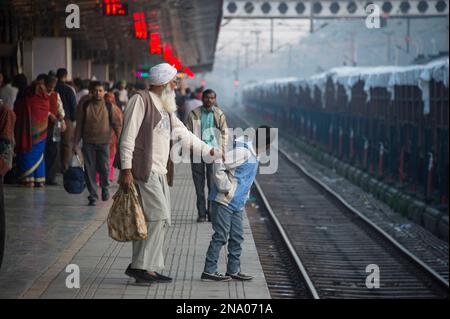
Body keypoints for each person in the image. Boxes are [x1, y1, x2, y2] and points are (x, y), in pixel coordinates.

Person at [119, 63, 221, 285]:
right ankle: (140, 266)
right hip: (144, 171)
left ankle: (148, 267)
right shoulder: (141, 100)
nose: (177, 85)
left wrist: (209, 150)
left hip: (160, 172)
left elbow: (183, 133)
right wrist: (126, 170)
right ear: (164, 83)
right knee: (159, 216)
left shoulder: (165, 106)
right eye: (174, 81)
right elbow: (127, 137)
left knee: (159, 220)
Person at [201, 126, 275, 281]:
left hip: (238, 204)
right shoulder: (244, 152)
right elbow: (218, 162)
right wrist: (225, 187)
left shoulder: (255, 154)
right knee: (221, 236)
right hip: (224, 201)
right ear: (268, 145)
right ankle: (209, 271)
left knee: (237, 237)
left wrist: (244, 196)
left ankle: (233, 270)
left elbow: (245, 179)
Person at [73, 82, 122, 206]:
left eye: (100, 91)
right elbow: (79, 126)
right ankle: (93, 195)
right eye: (95, 90)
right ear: (91, 91)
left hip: (104, 142)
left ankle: (105, 187)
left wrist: (121, 140)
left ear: (104, 92)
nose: (98, 93)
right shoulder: (85, 106)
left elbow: (116, 124)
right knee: (89, 169)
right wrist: (75, 143)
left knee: (105, 168)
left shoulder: (108, 106)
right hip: (88, 142)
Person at [186, 89, 228, 222]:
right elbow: (188, 133)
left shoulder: (219, 114)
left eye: (212, 98)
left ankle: (211, 213)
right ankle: (201, 214)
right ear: (202, 98)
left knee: (212, 184)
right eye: (207, 97)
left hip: (213, 153)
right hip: (198, 152)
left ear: (215, 99)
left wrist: (222, 151)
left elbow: (224, 133)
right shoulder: (194, 114)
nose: (209, 100)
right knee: (199, 185)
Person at [14, 81, 50, 187]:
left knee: (27, 153)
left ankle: (29, 179)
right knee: (39, 155)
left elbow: (16, 112)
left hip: (27, 133)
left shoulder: (26, 100)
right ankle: (39, 179)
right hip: (41, 134)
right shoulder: (46, 101)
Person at [43, 74, 66, 185]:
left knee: (53, 151)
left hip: (53, 127)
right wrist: (49, 114)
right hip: (42, 127)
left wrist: (61, 116)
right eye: (49, 86)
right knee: (44, 152)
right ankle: (42, 176)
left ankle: (50, 177)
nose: (51, 88)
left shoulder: (56, 95)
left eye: (53, 86)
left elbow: (60, 108)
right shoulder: (41, 95)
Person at [55, 68, 77, 173]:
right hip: (67, 120)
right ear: (66, 76)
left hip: (53, 120)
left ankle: (55, 167)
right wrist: (73, 119)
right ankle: (65, 166)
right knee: (67, 144)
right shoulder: (69, 89)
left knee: (55, 143)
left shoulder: (53, 88)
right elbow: (73, 106)